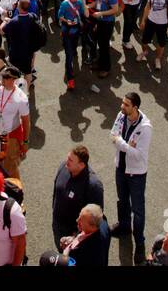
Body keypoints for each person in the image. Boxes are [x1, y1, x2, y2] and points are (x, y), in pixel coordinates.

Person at [109, 92, 152, 256]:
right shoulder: (121, 115)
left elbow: (139, 155)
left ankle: (139, 243)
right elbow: (112, 135)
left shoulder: (145, 128)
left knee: (138, 210)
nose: (122, 107)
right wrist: (127, 146)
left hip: (136, 174)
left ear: (135, 107)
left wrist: (122, 144)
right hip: (121, 167)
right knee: (122, 200)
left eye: (126, 105)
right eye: (123, 103)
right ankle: (124, 226)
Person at [51, 145, 105, 249]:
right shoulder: (64, 167)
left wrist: (76, 236)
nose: (67, 161)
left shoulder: (93, 186)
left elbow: (95, 218)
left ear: (81, 165)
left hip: (75, 235)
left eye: (71, 160)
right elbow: (56, 191)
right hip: (58, 225)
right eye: (68, 157)